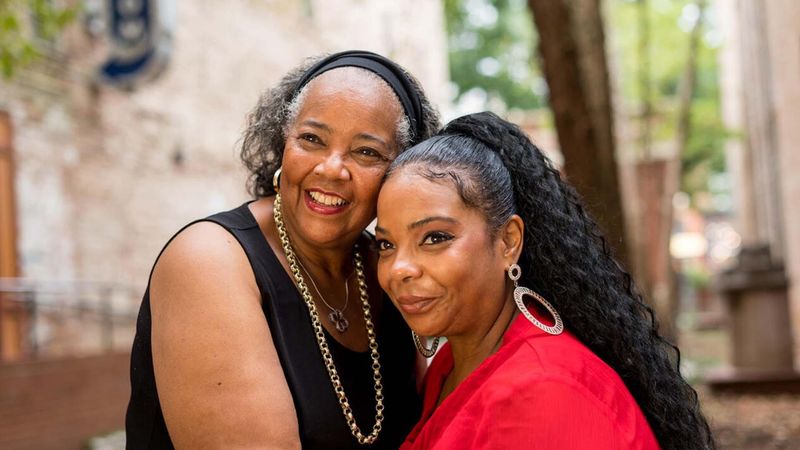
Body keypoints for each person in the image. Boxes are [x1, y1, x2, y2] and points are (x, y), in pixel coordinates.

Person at [125, 50, 441, 449]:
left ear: (399, 174)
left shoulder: (389, 270)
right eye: (311, 139)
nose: (331, 168)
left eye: (366, 152)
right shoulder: (209, 260)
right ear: (282, 144)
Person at [374, 112, 715, 450]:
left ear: (508, 241)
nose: (399, 268)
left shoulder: (543, 389)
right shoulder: (451, 366)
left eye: (434, 238)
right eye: (386, 245)